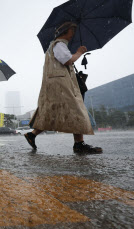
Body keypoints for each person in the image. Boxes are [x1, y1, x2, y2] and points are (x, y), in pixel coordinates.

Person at [25, 22, 102, 154]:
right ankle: (79, 144)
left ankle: (33, 134)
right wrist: (78, 52)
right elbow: (67, 60)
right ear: (64, 32)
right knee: (76, 110)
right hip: (61, 84)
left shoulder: (56, 46)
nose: (73, 35)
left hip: (56, 84)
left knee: (52, 112)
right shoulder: (59, 44)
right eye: (72, 31)